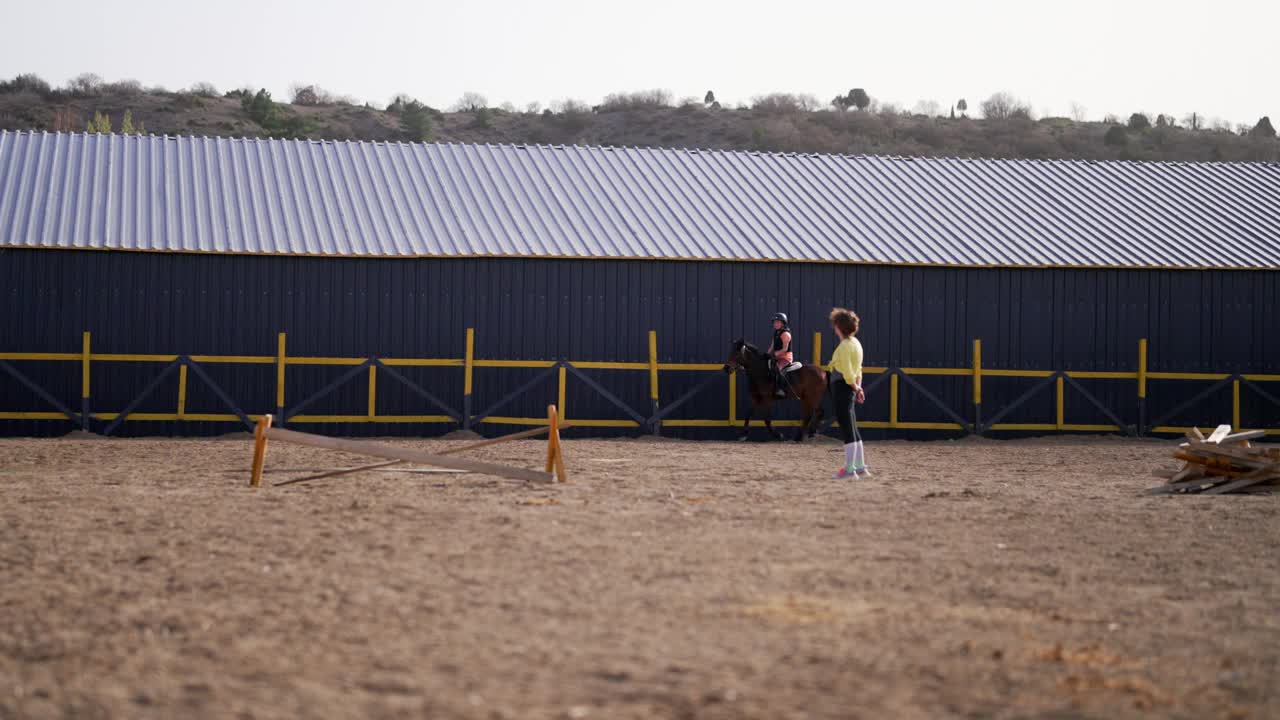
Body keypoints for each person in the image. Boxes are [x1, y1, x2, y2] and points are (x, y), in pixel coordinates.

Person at [828, 308, 869, 478]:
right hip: (850, 388)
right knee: (852, 427)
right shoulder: (856, 343)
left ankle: (849, 470)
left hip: (843, 387)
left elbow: (847, 371)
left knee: (847, 428)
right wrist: (858, 387)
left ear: (839, 326)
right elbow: (858, 370)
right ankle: (860, 467)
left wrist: (856, 387)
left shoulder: (845, 346)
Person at [769, 312, 794, 399]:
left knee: (777, 369)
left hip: (785, 358)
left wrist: (775, 354)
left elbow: (785, 349)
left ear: (783, 323)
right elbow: (772, 346)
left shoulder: (785, 334)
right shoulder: (776, 333)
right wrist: (767, 354)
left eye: (778, 322)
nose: (775, 324)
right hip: (776, 357)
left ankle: (781, 390)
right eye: (774, 322)